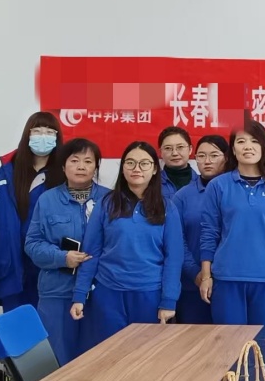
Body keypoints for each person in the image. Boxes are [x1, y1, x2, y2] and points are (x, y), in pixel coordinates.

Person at [70, 141, 183, 349]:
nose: (136, 168)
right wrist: (79, 295)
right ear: (122, 168)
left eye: (144, 163)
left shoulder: (168, 208)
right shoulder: (107, 203)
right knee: (109, 354)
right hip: (108, 294)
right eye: (130, 162)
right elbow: (91, 252)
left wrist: (169, 300)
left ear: (154, 169)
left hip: (149, 295)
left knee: (146, 356)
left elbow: (174, 258)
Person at [200, 120, 265, 325]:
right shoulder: (218, 186)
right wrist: (206, 275)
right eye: (241, 141)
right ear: (233, 149)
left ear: (264, 147)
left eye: (254, 141)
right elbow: (209, 233)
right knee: (228, 340)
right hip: (227, 277)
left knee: (264, 339)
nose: (248, 147)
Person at [24, 138, 109, 365]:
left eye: (88, 161)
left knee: (99, 359)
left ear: (96, 167)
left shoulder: (110, 199)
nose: (81, 166)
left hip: (101, 291)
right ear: (63, 166)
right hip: (57, 292)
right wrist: (63, 257)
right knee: (59, 360)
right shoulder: (47, 200)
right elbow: (32, 244)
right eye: (74, 160)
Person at [0, 112, 65, 311]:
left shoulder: (65, 174)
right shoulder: (6, 174)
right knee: (18, 328)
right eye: (37, 131)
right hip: (13, 269)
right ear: (28, 135)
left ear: (57, 137)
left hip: (52, 269)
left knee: (51, 329)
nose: (43, 137)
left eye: (49, 132)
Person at [171, 135, 229, 324]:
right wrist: (196, 273)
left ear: (227, 158)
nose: (207, 161)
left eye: (214, 155)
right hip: (192, 285)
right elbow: (177, 241)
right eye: (201, 156)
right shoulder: (182, 197)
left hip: (230, 282)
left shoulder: (235, 192)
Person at [159, 126, 196, 201]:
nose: (175, 153)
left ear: (190, 149)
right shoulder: (152, 183)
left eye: (180, 147)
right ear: (161, 152)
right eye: (168, 148)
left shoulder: (203, 183)